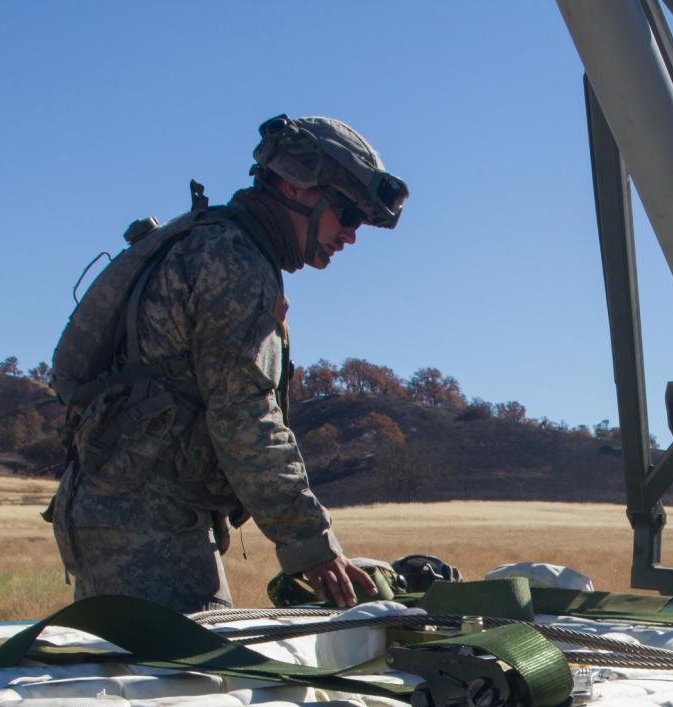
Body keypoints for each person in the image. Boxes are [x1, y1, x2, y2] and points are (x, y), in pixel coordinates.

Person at [47, 115, 406, 612]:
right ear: (292, 185)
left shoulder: (220, 245)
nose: (350, 235)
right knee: (180, 685)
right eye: (345, 212)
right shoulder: (233, 262)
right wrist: (311, 544)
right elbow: (244, 414)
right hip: (144, 524)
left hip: (138, 512)